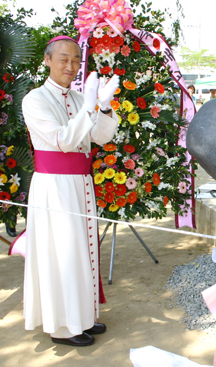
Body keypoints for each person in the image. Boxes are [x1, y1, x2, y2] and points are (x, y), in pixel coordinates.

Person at [21, 36, 119, 347]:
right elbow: (62, 141)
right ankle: (62, 326)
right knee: (61, 251)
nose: (70, 65)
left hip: (80, 183)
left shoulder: (78, 99)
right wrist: (88, 107)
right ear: (48, 60)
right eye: (63, 58)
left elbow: (101, 138)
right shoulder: (34, 100)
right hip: (55, 185)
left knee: (82, 251)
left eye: (76, 60)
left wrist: (102, 108)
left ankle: (82, 318)